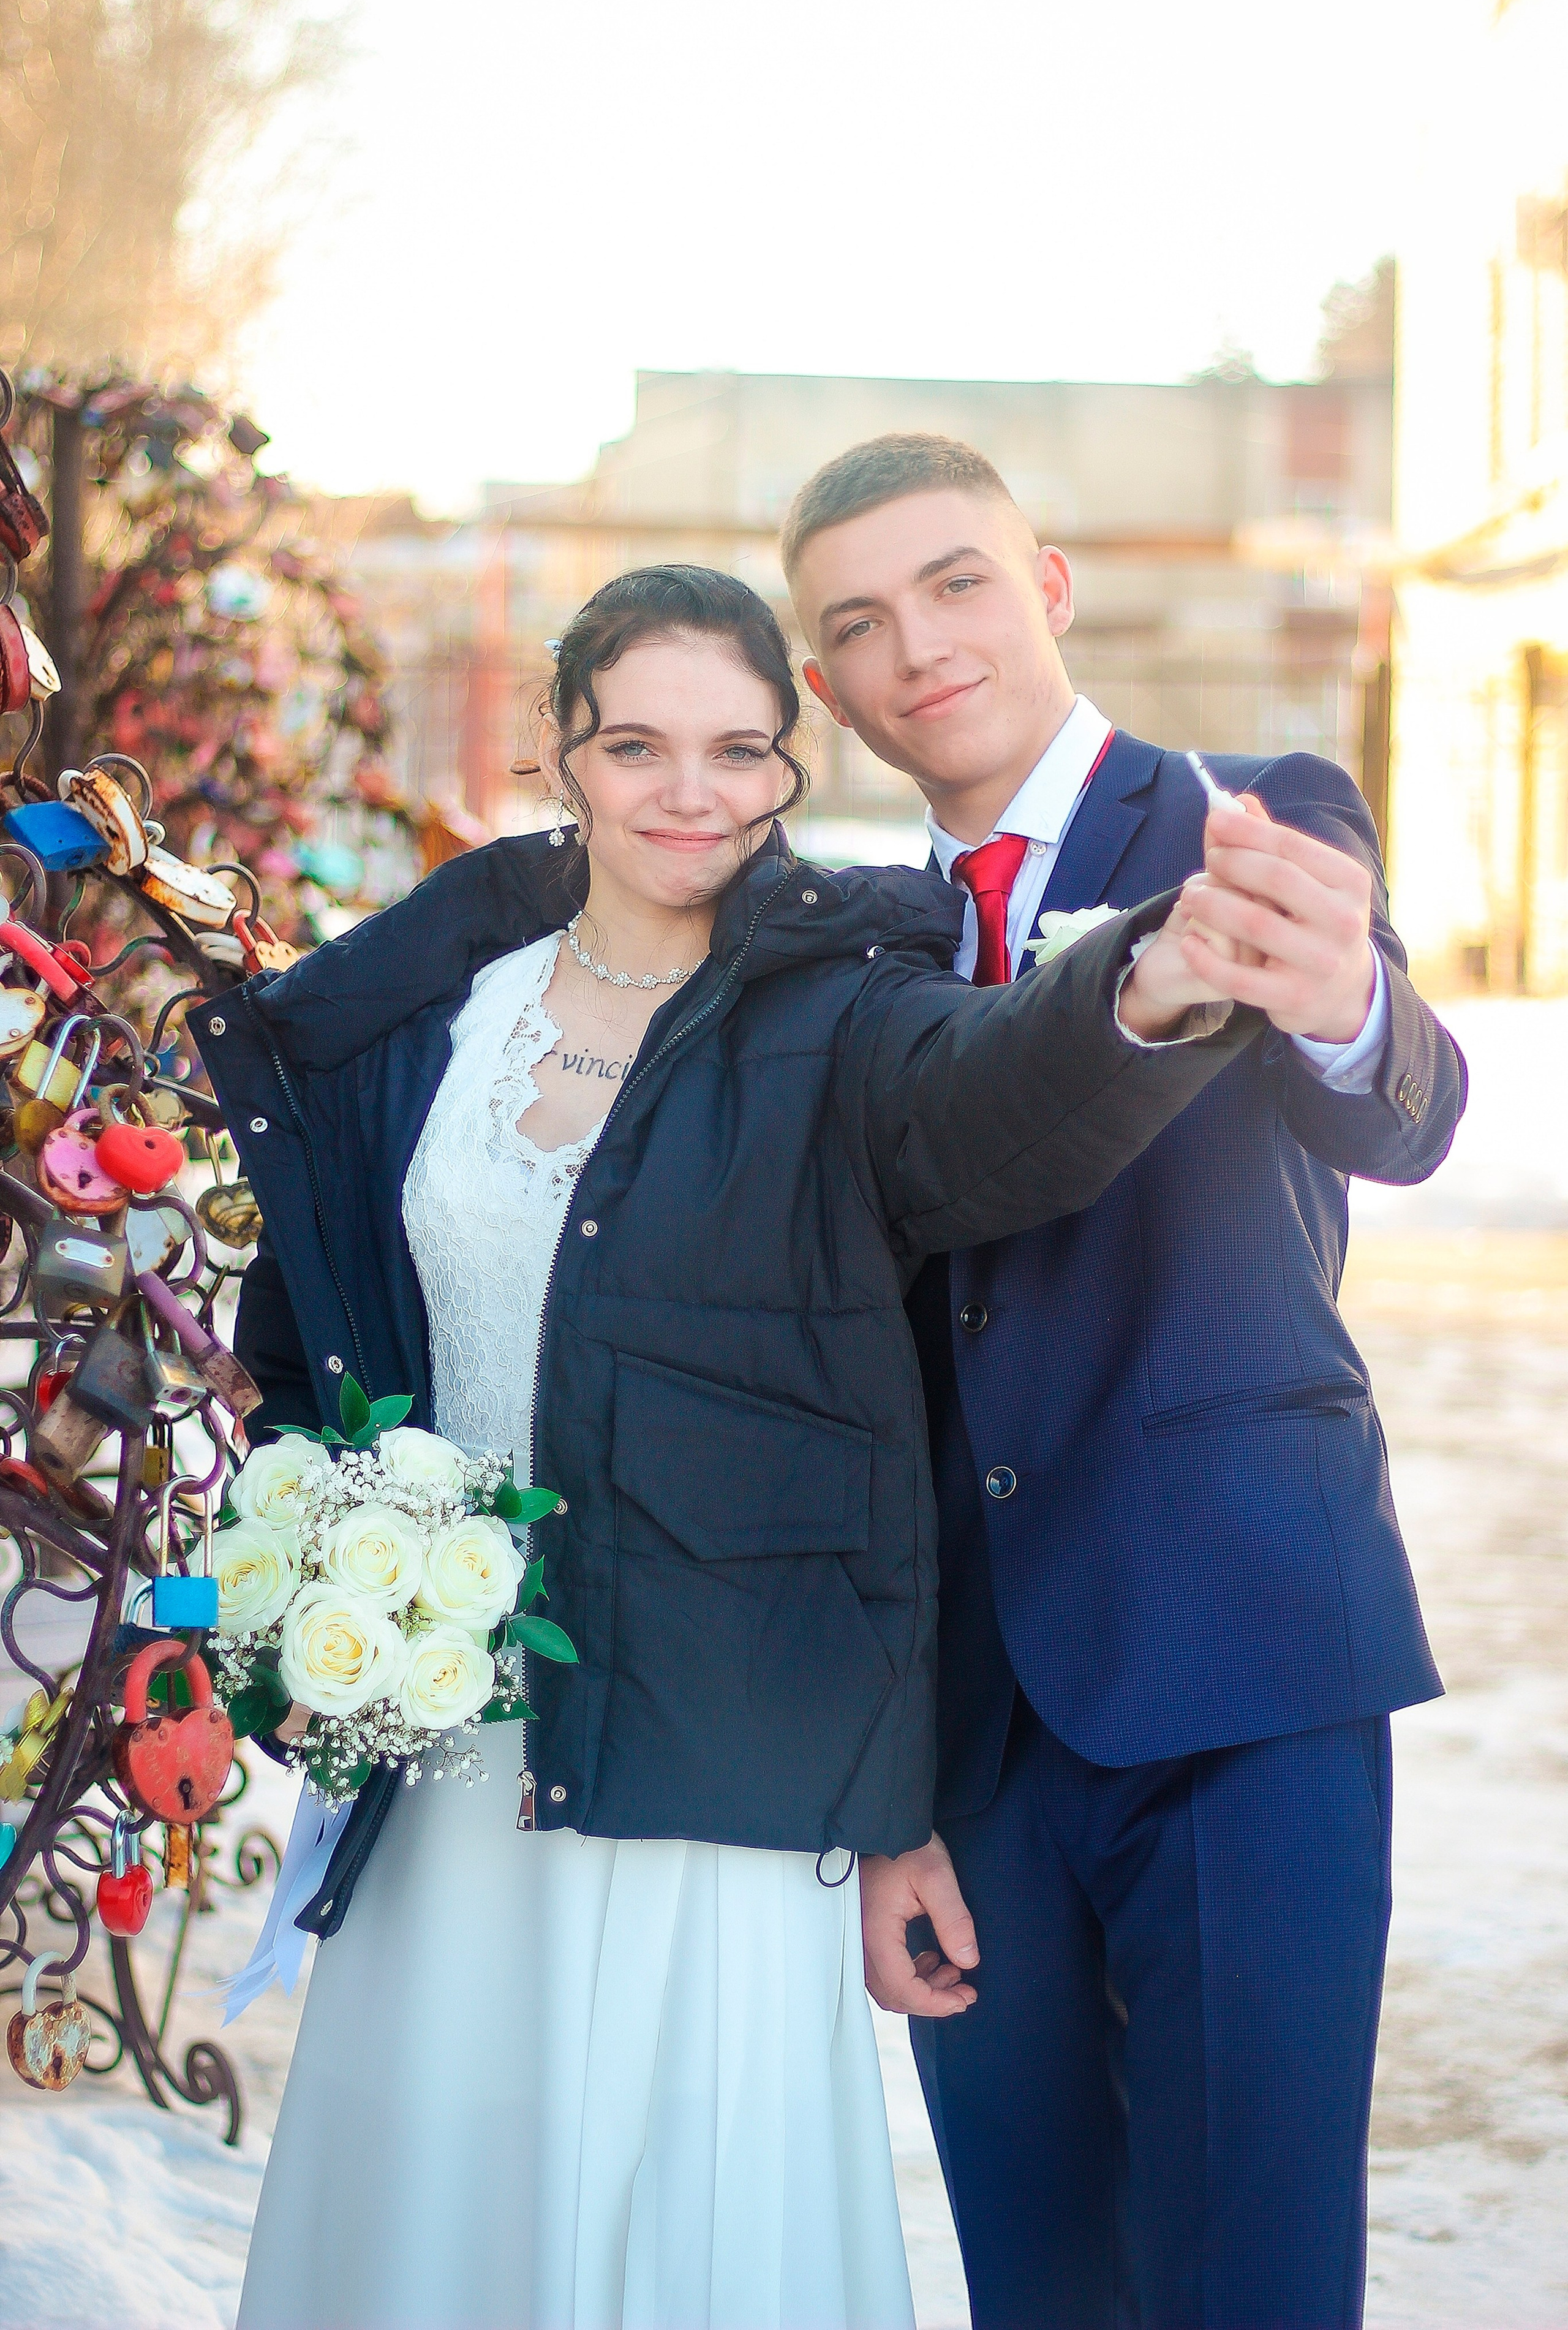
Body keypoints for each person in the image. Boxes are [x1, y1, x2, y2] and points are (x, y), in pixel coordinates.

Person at [204, 562, 1314, 2330]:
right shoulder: (423, 1020)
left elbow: (996, 1104)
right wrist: (323, 1559)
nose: (691, 793)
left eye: (738, 750)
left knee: (680, 2230)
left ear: (791, 763)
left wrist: (1150, 985)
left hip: (717, 1755)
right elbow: (319, 1356)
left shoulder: (843, 1009)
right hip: (456, 1757)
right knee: (447, 2215)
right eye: (637, 745)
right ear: (564, 752)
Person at [782, 435, 1468, 2330]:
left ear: (1051, 585)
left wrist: (1340, 1003)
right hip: (980, 1745)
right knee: (1040, 2284)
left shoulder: (1255, 817)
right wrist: (886, 1789)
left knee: (1252, 2278)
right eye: (858, 624)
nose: (919, 646)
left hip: (1247, 1669)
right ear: (824, 687)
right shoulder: (851, 960)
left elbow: (1407, 1100)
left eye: (957, 582)